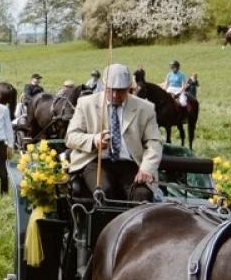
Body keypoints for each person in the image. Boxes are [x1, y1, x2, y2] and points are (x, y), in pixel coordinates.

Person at [65, 63, 161, 202]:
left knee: (142, 195)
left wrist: (147, 168)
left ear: (130, 88)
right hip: (96, 161)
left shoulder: (146, 108)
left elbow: (154, 142)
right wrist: (94, 140)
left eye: (121, 91)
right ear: (104, 86)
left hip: (131, 164)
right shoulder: (85, 104)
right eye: (111, 90)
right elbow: (71, 137)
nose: (115, 95)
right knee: (104, 193)